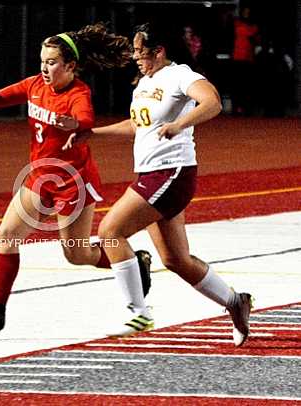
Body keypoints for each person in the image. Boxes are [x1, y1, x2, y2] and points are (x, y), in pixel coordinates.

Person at [0, 23, 151, 331]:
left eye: (51, 62)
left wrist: (71, 123)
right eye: (42, 61)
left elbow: (86, 120)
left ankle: (130, 262)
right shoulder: (35, 85)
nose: (44, 68)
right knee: (7, 235)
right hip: (40, 177)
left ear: (70, 66)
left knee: (77, 253)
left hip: (73, 182)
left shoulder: (78, 92)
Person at [80, 22, 252, 346]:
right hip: (154, 175)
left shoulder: (180, 75)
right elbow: (137, 125)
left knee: (109, 232)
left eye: (140, 51)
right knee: (175, 260)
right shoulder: (144, 83)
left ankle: (139, 311)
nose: (135, 57)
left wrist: (179, 124)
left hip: (171, 172)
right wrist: (94, 133)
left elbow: (212, 102)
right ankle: (235, 301)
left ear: (159, 51)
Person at [231, 6, 260, 115]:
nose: (246, 14)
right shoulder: (237, 24)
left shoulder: (254, 26)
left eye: (248, 12)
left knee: (247, 86)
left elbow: (256, 40)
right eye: (245, 12)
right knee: (237, 85)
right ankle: (236, 108)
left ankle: (247, 108)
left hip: (248, 59)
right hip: (237, 57)